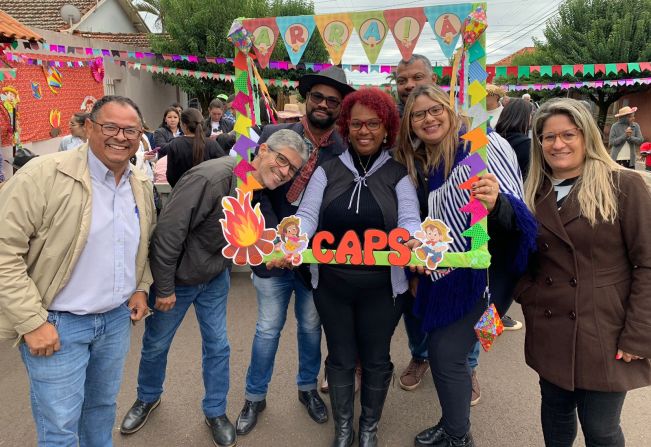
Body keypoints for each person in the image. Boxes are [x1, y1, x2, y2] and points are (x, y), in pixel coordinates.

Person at [119, 129, 308, 447]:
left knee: (218, 347)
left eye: (292, 168)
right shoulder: (212, 177)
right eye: (281, 160)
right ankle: (147, 398)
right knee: (156, 344)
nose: (285, 171)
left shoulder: (253, 184)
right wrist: (164, 288)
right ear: (262, 151)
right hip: (177, 280)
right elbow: (168, 233)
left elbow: (247, 235)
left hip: (214, 278)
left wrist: (277, 251)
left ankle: (215, 411)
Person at [0, 96, 155, 445]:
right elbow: (4, 251)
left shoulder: (139, 184)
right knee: (60, 428)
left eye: (131, 130)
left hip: (115, 322)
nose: (120, 136)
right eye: (110, 127)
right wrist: (32, 322)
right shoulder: (43, 174)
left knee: (101, 410)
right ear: (88, 128)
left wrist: (140, 286)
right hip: (56, 325)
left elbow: (139, 244)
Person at [394, 85, 537, 447]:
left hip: (488, 274)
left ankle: (459, 437)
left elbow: (516, 220)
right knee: (444, 353)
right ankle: (452, 425)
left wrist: (495, 204)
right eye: (418, 113)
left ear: (450, 109)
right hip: (448, 272)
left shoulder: (477, 147)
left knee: (446, 353)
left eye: (435, 110)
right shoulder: (422, 162)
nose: (428, 119)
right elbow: (428, 220)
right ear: (409, 122)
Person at [517, 97, 651, 447]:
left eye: (568, 134)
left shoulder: (623, 184)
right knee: (556, 420)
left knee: (602, 429)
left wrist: (638, 334)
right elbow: (519, 259)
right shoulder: (534, 192)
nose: (558, 144)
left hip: (605, 330)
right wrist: (530, 297)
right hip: (551, 327)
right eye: (548, 137)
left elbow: (647, 263)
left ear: (587, 136)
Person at [295, 87, 421, 447]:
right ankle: (344, 427)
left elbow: (410, 219)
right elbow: (306, 215)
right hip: (331, 285)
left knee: (377, 357)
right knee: (340, 356)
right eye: (357, 124)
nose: (364, 131)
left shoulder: (399, 173)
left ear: (387, 129)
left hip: (383, 288)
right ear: (346, 128)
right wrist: (292, 241)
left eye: (373, 124)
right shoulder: (327, 169)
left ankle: (369, 427)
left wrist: (413, 239)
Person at [234, 66, 355, 437]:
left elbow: (339, 201)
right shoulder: (271, 134)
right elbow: (250, 183)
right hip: (271, 256)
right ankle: (255, 397)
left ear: (340, 108)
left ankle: (307, 390)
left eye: (333, 101)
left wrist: (306, 242)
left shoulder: (345, 147)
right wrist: (275, 239)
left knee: (309, 326)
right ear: (306, 98)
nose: (323, 104)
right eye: (317, 96)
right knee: (268, 328)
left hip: (314, 257)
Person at [394, 53, 437, 392]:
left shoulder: (467, 125)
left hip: (463, 236)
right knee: (413, 301)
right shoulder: (392, 130)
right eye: (402, 80)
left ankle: (468, 366)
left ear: (433, 79)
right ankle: (420, 355)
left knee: (473, 304)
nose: (409, 85)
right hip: (409, 237)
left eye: (417, 76)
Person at [166, 108, 226, 187]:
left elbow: (171, 175)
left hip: (183, 192)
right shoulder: (211, 144)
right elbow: (224, 169)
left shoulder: (175, 144)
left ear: (183, 125)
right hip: (208, 193)